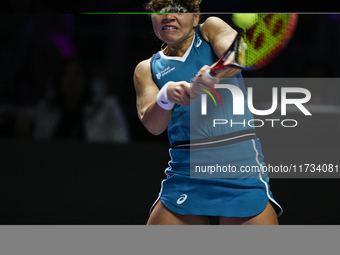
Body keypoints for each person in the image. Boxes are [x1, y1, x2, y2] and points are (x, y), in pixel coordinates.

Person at [134, 0, 282, 225]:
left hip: (239, 168)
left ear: (195, 18)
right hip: (186, 172)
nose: (168, 16)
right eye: (161, 11)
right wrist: (166, 96)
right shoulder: (147, 68)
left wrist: (212, 75)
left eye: (179, 10)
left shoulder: (210, 29)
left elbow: (238, 55)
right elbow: (153, 126)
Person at [34, 57, 130, 143]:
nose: (71, 81)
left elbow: (121, 143)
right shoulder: (46, 109)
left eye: (77, 75)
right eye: (66, 75)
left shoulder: (106, 107)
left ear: (86, 80)